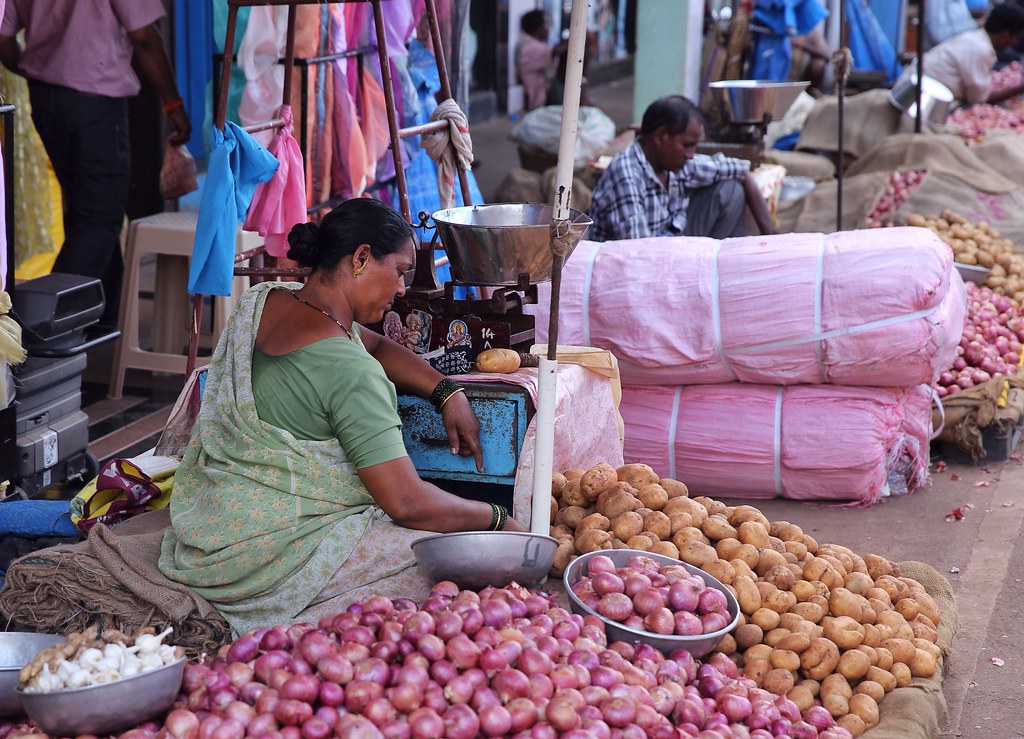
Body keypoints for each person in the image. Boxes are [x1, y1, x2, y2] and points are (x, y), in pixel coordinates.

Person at [159, 198, 525, 635]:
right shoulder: (350, 372)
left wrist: (446, 390)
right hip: (267, 560)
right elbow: (407, 503)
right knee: (452, 567)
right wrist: (496, 519)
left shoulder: (262, 302)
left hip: (211, 531)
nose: (404, 288)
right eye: (401, 270)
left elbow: (373, 344)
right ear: (362, 258)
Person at [0, 0, 191, 323]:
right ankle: (43, 323)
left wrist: (37, 66)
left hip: (46, 98)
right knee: (99, 219)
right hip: (95, 104)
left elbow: (3, 37)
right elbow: (144, 35)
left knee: (87, 213)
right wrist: (173, 104)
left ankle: (99, 319)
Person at [588, 95, 776, 242]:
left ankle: (716, 267)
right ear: (661, 136)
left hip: (672, 245)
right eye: (686, 145)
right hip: (637, 263)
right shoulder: (626, 174)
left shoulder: (673, 163)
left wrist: (771, 234)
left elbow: (739, 171)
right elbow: (639, 254)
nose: (691, 154)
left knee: (731, 191)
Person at [896, 2, 1024, 106]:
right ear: (1005, 35)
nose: (1013, 42)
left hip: (913, 89)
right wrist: (1019, 89)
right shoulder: (981, 49)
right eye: (1015, 37)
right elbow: (980, 99)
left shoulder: (976, 38)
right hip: (914, 99)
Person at [516, 9, 567, 111]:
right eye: (546, 23)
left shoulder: (532, 44)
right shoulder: (528, 47)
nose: (548, 28)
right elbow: (553, 51)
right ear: (538, 27)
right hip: (537, 102)